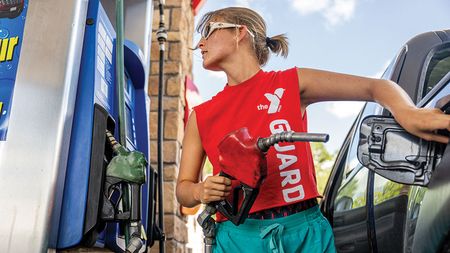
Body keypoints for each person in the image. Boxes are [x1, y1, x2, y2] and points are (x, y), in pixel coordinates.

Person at [176, 6, 450, 253]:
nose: (200, 43)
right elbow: (184, 190)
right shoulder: (201, 115)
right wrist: (201, 191)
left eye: (209, 31)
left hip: (305, 233)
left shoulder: (291, 83)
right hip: (237, 238)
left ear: (240, 33)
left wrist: (410, 114)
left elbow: (376, 87)